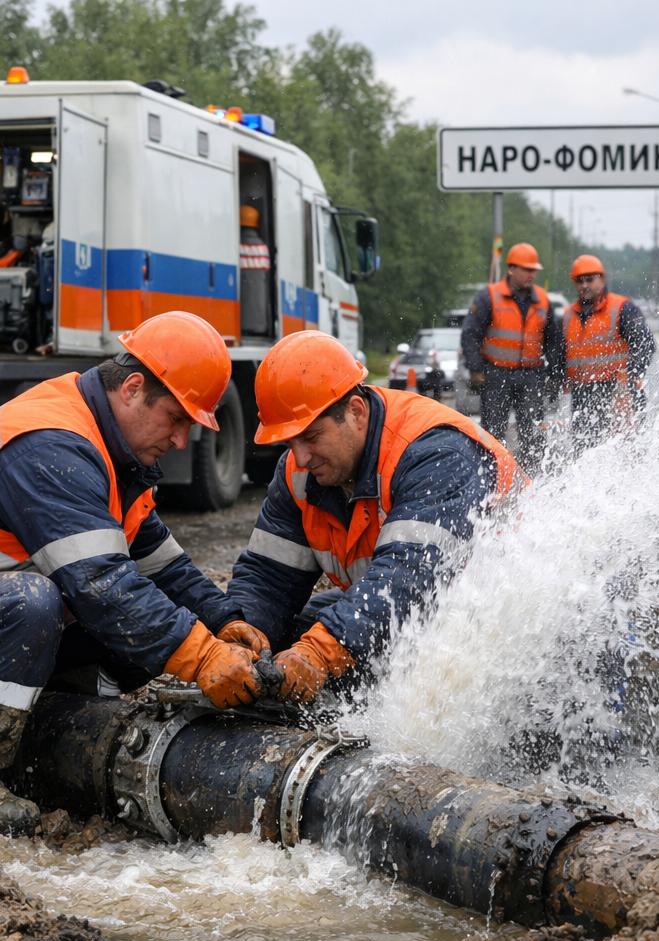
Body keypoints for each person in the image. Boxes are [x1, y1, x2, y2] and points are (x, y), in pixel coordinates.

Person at [0, 311, 270, 834]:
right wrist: (202, 657)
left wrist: (223, 622)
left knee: (140, 641)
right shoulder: (51, 443)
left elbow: (163, 567)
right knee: (32, 602)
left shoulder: (112, 455)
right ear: (133, 389)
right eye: (176, 420)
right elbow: (102, 587)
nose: (182, 441)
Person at [229, 331, 521, 704]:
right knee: (291, 639)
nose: (299, 458)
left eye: (311, 437)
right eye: (289, 442)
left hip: (500, 622)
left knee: (328, 645)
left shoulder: (435, 453)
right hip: (419, 607)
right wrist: (239, 641)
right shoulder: (299, 472)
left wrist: (320, 653)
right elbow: (269, 577)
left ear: (355, 411)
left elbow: (406, 580)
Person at [460, 242, 565, 473]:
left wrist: (555, 374)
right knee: (493, 434)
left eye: (533, 270)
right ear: (511, 269)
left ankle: (533, 477)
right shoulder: (489, 296)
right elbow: (471, 333)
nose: (531, 274)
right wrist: (475, 368)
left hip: (531, 375)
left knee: (534, 433)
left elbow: (553, 341)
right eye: (526, 269)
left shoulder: (542, 300)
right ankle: (492, 477)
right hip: (496, 375)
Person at [562, 254, 655, 449]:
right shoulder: (568, 316)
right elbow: (558, 356)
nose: (584, 285)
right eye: (579, 281)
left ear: (602, 279)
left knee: (624, 450)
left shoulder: (622, 308)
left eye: (590, 279)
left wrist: (630, 377)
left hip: (620, 391)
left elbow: (645, 344)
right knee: (584, 452)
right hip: (583, 394)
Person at [239, 204, 272, 338]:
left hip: (241, 321)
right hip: (260, 322)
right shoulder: (262, 247)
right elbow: (266, 272)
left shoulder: (237, 246)